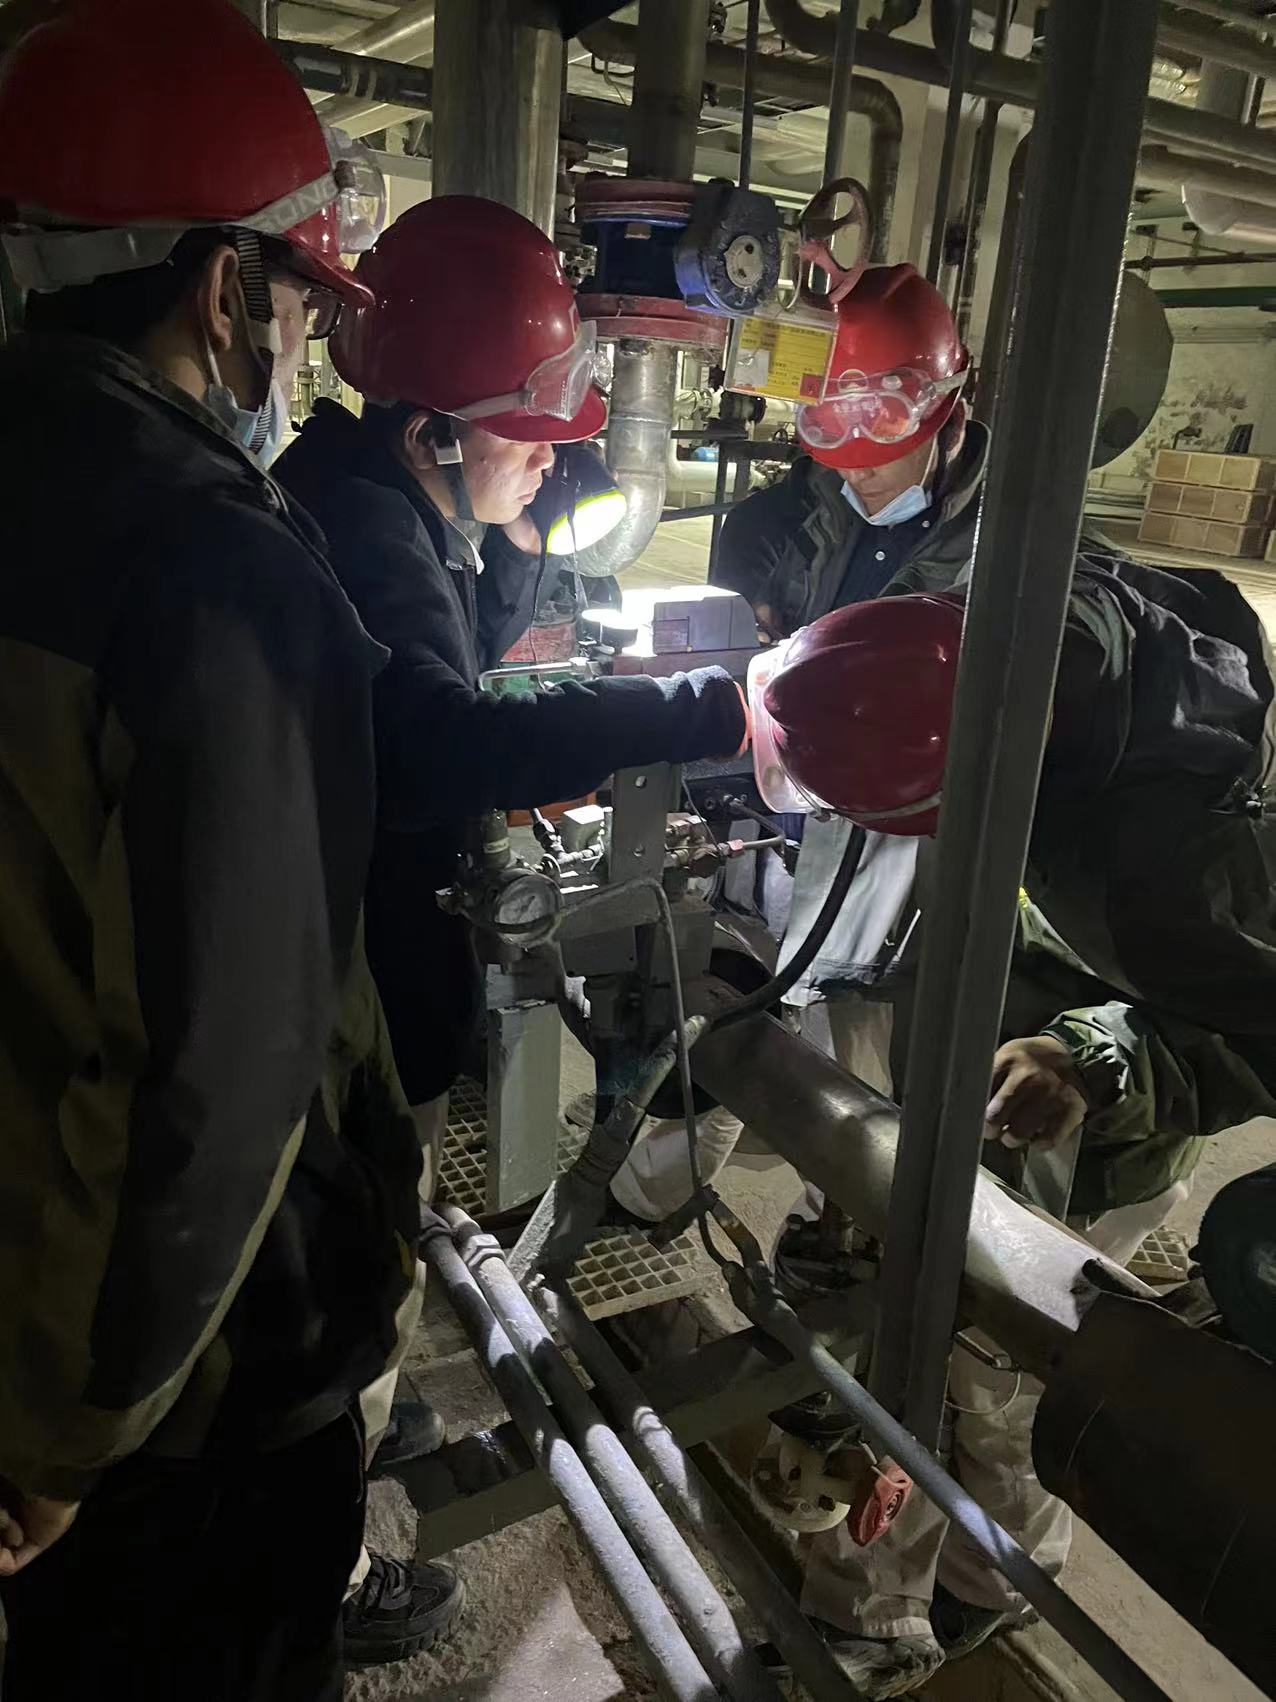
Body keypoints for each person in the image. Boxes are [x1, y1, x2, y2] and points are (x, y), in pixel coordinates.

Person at [0, 2, 427, 1696]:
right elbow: (219, 1071)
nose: (304, 343)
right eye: (303, 300)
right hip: (184, 1391)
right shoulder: (221, 567)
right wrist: (68, 1429)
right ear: (224, 286)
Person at [750, 574, 1276, 1697]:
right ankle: (885, 1602)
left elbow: (1250, 1043)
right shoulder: (1024, 625)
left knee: (990, 1374)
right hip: (962, 1062)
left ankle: (968, 1593)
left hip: (1087, 1143)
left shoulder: (1175, 886)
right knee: (888, 1325)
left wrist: (1092, 1058)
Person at [273, 195, 748, 1183]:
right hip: (352, 988)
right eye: (524, 434)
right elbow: (441, 740)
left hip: (347, 961)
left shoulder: (368, 496)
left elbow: (444, 652)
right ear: (430, 438)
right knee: (374, 1223)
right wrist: (697, 708)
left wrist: (524, 542)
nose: (547, 456)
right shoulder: (366, 530)